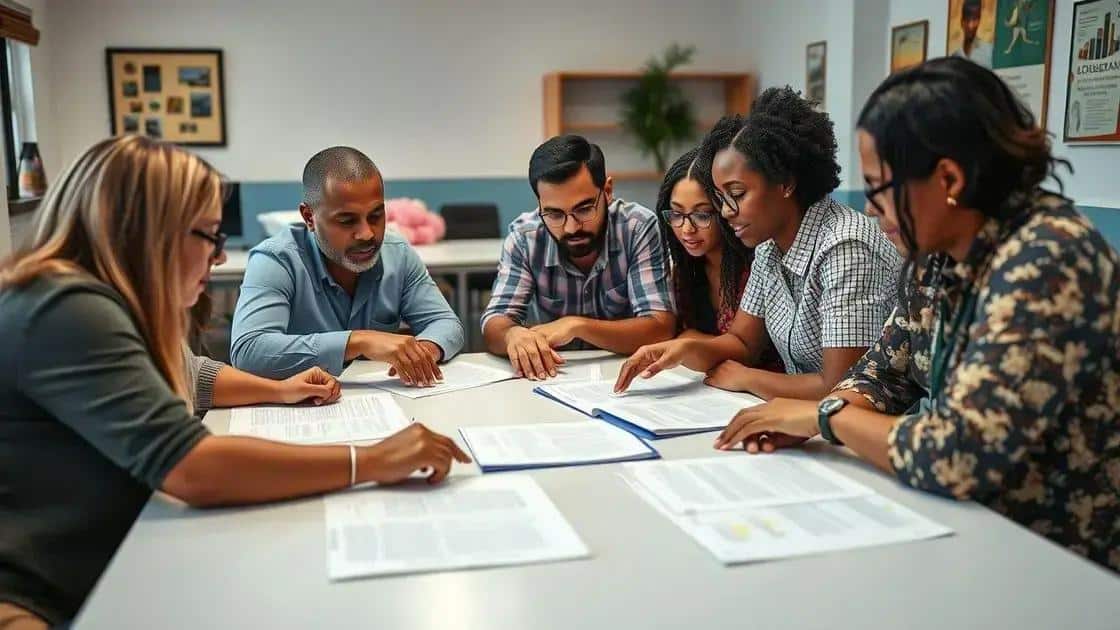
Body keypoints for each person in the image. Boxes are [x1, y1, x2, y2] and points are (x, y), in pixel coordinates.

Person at [0, 136, 471, 627]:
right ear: (148, 233)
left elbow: (193, 375)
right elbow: (192, 468)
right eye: (208, 236)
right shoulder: (68, 309)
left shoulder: (98, 299)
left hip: (110, 558)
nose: (220, 258)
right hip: (41, 598)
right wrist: (372, 459)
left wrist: (278, 388)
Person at [714, 58, 1120, 572]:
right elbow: (883, 374)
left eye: (880, 188)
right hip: (976, 530)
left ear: (948, 178)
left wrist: (825, 417)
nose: (871, 210)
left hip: (1062, 558)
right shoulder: (938, 254)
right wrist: (819, 415)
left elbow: (958, 453)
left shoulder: (1048, 260)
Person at [615, 87, 900, 402]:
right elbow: (742, 341)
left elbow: (841, 387)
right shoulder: (768, 248)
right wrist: (685, 348)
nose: (725, 212)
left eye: (737, 195)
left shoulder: (846, 247)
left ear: (785, 182)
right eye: (721, 198)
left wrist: (748, 379)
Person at [230, 146, 464, 386]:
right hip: (303, 411)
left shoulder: (397, 253)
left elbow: (446, 324)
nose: (366, 234)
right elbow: (248, 352)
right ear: (309, 217)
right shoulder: (276, 260)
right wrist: (359, 341)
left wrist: (421, 352)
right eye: (346, 220)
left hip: (383, 404)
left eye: (375, 216)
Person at [482, 135, 676, 380]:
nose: (571, 227)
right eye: (554, 214)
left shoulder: (636, 227)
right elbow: (494, 325)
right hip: (555, 378)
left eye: (584, 209)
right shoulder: (524, 237)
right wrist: (512, 335)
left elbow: (660, 327)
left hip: (631, 376)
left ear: (607, 191)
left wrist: (577, 326)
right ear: (539, 204)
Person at [657, 148, 785, 370]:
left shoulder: (759, 262)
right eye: (677, 214)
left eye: (702, 214)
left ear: (725, 209)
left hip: (770, 389)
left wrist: (691, 340)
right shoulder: (683, 267)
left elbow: (749, 352)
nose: (687, 229)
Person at [951, 0, 994, 68]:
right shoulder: (955, 56)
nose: (970, 25)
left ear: (979, 21)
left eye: (974, 19)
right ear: (961, 22)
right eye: (967, 20)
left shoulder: (990, 51)